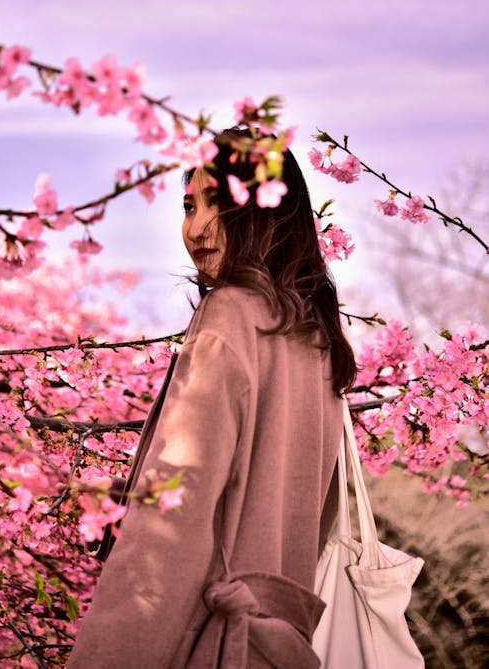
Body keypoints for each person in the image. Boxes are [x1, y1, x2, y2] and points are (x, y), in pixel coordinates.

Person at [67, 128, 356, 668]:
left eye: (218, 204)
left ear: (269, 213)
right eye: (187, 206)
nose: (196, 228)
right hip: (277, 647)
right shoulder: (318, 339)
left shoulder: (231, 315)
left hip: (208, 641)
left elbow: (173, 521)